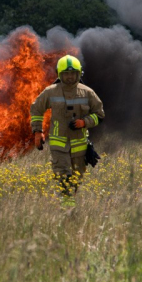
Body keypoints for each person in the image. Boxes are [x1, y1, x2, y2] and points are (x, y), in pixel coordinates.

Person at [30, 54, 105, 205]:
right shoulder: (50, 92)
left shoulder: (88, 93)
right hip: (59, 144)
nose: (70, 77)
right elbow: (36, 109)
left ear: (79, 74)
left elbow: (99, 115)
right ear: (59, 74)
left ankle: (70, 203)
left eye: (73, 73)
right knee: (63, 175)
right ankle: (67, 206)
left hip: (80, 144)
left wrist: (84, 122)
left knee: (77, 178)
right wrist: (38, 132)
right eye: (66, 73)